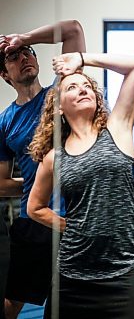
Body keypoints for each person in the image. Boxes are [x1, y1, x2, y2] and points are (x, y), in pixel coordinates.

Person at [27, 52, 134, 318]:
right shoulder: (54, 157)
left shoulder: (117, 129)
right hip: (73, 274)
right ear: (59, 106)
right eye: (72, 87)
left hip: (128, 267)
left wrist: (82, 60)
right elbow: (35, 207)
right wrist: (69, 226)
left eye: (87, 86)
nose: (82, 89)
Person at [0, 20, 85, 319]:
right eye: (14, 56)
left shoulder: (60, 94)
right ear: (4, 75)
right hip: (33, 220)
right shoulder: (5, 122)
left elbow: (73, 29)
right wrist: (37, 184)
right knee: (14, 302)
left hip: (76, 215)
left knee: (74, 298)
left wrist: (22, 37)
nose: (24, 58)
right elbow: (1, 184)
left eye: (28, 52)